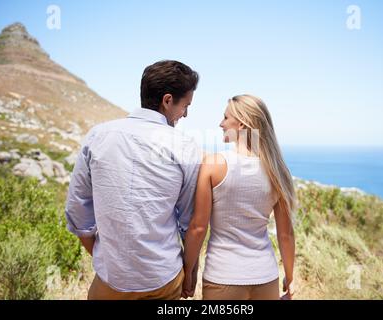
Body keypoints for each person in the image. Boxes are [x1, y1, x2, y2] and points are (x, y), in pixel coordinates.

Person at [65, 60, 201, 300]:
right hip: (163, 280)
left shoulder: (98, 135)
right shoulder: (185, 146)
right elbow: (190, 224)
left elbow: (78, 212)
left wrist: (109, 259)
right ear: (167, 100)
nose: (185, 114)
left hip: (110, 280)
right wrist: (190, 272)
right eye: (185, 105)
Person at [182, 94, 296, 300]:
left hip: (224, 277)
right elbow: (286, 234)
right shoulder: (277, 171)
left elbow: (198, 227)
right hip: (266, 278)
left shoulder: (213, 164)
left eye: (226, 118)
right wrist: (290, 276)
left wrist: (188, 271)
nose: (221, 123)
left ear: (242, 124)